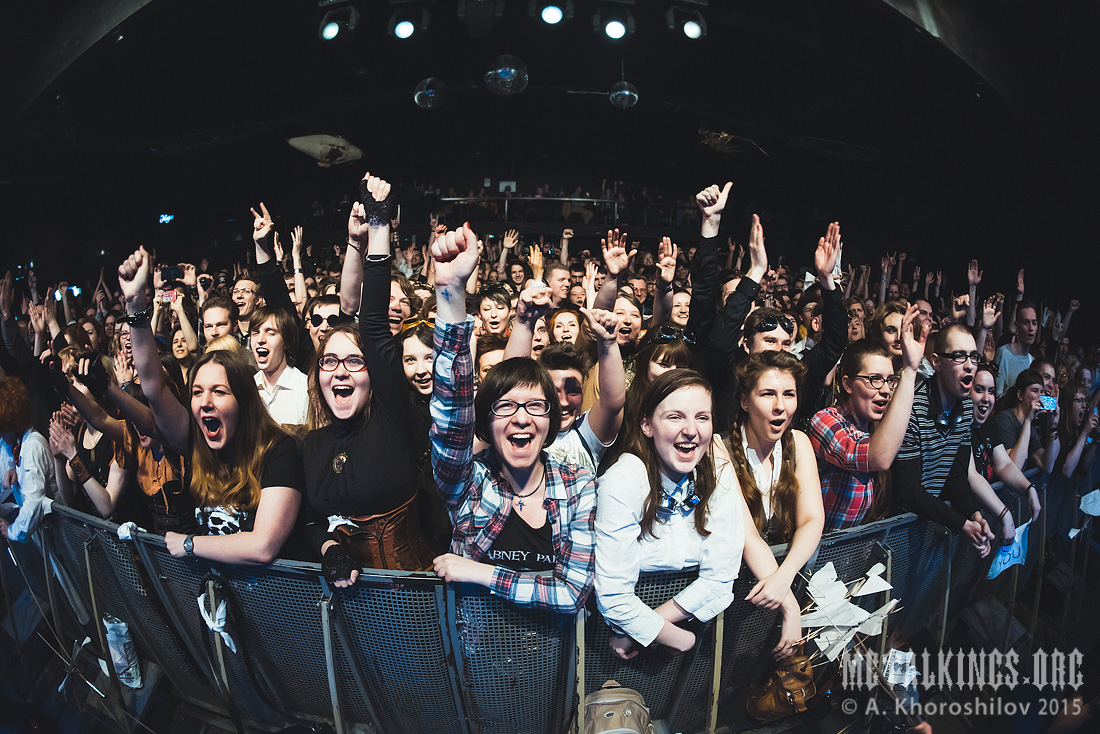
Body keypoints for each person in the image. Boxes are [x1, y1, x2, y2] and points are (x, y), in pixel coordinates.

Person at [429, 223, 596, 614]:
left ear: (551, 420)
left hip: (554, 664)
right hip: (476, 659)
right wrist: (450, 293)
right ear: (487, 422)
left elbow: (572, 594)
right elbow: (452, 416)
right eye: (506, 407)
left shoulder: (578, 485)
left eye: (535, 406)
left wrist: (480, 573)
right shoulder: (469, 482)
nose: (521, 418)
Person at [119, 246, 304, 564]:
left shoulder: (279, 451)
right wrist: (136, 306)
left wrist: (190, 544)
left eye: (219, 392)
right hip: (216, 600)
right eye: (197, 392)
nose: (204, 403)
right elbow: (152, 386)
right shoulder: (197, 441)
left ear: (244, 399)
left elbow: (263, 546)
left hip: (272, 605)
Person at [300, 174, 436, 582]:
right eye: (330, 362)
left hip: (415, 594)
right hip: (350, 606)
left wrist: (379, 225)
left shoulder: (393, 419)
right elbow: (310, 523)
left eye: (354, 362)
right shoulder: (311, 445)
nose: (340, 369)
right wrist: (329, 549)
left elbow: (373, 324)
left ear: (374, 374)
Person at [595, 370, 743, 658]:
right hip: (612, 647)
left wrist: (652, 628)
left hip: (658, 635)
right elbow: (613, 596)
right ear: (647, 425)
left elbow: (720, 578)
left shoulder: (718, 473)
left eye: (702, 417)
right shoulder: (624, 479)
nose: (691, 430)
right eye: (675, 417)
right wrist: (678, 639)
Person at [810, 306, 928, 532]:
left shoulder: (877, 427)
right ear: (847, 384)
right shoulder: (824, 421)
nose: (885, 390)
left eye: (890, 380)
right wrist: (910, 370)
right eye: (875, 379)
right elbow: (878, 457)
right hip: (817, 553)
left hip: (850, 552)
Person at [727, 352, 825, 610]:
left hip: (780, 588)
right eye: (768, 394)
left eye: (789, 394)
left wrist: (785, 576)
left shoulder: (799, 442)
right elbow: (747, 535)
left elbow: (812, 519)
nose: (780, 405)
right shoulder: (720, 448)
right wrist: (789, 606)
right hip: (731, 594)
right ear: (745, 402)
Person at [892, 324, 995, 556]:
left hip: (928, 519)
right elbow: (908, 491)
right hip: (895, 525)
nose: (969, 365)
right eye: (959, 356)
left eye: (973, 357)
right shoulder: (913, 407)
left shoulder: (966, 408)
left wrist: (975, 515)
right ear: (936, 362)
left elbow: (956, 475)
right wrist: (961, 524)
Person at [969, 364, 1042, 522]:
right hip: (961, 521)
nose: (986, 398)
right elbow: (972, 476)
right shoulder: (961, 426)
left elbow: (1006, 465)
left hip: (985, 516)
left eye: (991, 391)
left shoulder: (990, 425)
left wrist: (1030, 489)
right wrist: (1004, 514)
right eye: (979, 390)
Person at [0, 377, 57, 542]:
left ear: (12, 422)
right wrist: (12, 470)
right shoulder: (20, 443)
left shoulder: (32, 446)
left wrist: (12, 531)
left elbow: (34, 504)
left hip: (59, 535)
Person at [250, 304, 308, 427]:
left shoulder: (305, 389)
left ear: (286, 342)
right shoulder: (248, 387)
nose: (260, 339)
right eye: (255, 333)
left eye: (270, 333)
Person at [988, 369, 1051, 472]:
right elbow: (1013, 468)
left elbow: (1046, 465)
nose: (1040, 397)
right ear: (1020, 395)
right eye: (1035, 391)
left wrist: (1054, 428)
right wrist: (1028, 420)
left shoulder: (1029, 424)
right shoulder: (1005, 419)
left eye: (1042, 392)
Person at [993, 302, 1038, 397]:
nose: (1031, 328)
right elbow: (996, 394)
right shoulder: (1004, 353)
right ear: (1017, 326)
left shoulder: (1032, 361)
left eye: (1034, 323)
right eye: (1026, 322)